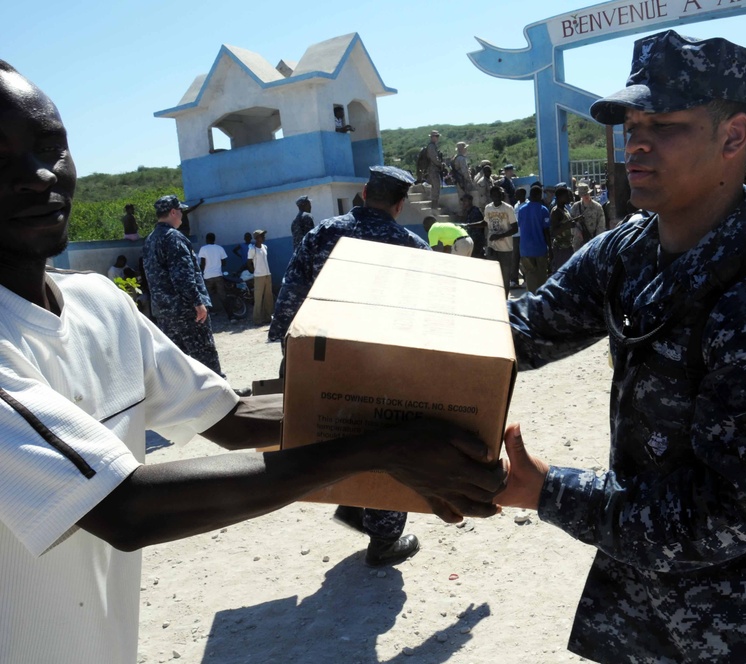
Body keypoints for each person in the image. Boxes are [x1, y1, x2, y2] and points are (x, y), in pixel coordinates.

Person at [0, 60, 505, 664]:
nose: (36, 175)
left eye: (51, 145)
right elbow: (123, 508)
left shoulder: (98, 303)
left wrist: (420, 420)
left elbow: (233, 415)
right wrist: (387, 446)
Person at [495, 31, 746, 663]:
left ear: (733, 137)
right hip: (640, 599)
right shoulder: (629, 250)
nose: (636, 143)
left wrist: (545, 489)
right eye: (631, 124)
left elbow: (728, 516)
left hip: (739, 621)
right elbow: (526, 328)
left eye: (664, 124)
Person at [269, 166, 433, 566]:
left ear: (363, 192)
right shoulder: (411, 245)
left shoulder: (322, 233)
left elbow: (291, 297)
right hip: (385, 364)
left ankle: (355, 506)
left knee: (339, 430)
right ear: (399, 204)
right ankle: (384, 539)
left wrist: (291, 357)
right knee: (390, 441)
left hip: (327, 358)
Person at [143, 194, 225, 377]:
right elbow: (183, 276)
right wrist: (197, 303)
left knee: (178, 362)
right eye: (180, 211)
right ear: (173, 212)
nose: (182, 215)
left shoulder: (150, 239)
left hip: (164, 312)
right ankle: (222, 396)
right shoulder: (174, 238)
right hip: (186, 311)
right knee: (204, 355)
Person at [483, 185, 518, 296]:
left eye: (500, 195)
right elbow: (485, 223)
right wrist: (471, 225)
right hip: (492, 247)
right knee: (492, 275)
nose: (498, 197)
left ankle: (505, 300)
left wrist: (500, 236)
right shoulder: (488, 208)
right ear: (491, 196)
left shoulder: (508, 208)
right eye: (495, 195)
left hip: (506, 248)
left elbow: (515, 228)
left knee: (505, 276)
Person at [515, 186, 550, 293]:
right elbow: (546, 231)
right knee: (542, 277)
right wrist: (550, 248)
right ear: (539, 195)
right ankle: (541, 301)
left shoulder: (521, 209)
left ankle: (530, 301)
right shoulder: (543, 210)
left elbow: (520, 225)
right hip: (540, 249)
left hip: (525, 249)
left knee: (530, 276)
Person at [197, 232, 233, 321]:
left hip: (207, 276)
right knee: (223, 296)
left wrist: (201, 271)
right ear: (214, 239)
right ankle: (231, 316)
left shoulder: (203, 249)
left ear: (207, 239)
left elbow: (203, 263)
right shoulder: (219, 248)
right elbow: (224, 262)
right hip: (218, 275)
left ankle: (207, 318)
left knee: (207, 296)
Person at [246, 230, 274, 325]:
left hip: (267, 275)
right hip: (259, 276)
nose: (264, 237)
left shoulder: (264, 247)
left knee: (268, 298)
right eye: (262, 236)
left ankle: (267, 317)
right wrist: (254, 272)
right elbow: (249, 263)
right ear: (257, 238)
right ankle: (257, 320)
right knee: (258, 299)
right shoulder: (252, 249)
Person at [569, 183, 606, 252]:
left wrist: (597, 240)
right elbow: (571, 223)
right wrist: (577, 232)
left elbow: (601, 225)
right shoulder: (575, 207)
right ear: (580, 195)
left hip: (593, 240)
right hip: (578, 243)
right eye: (583, 194)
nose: (586, 196)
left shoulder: (597, 207)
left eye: (587, 193)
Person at [547, 184, 575, 272]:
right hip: (561, 249)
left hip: (568, 247)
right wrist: (568, 226)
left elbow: (566, 223)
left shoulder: (565, 209)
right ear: (560, 197)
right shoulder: (556, 212)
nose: (569, 197)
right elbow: (553, 232)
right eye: (567, 196)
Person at [424, 130, 447, 208]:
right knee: (436, 186)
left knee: (436, 186)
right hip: (432, 168)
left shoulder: (433, 146)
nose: (437, 138)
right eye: (436, 136)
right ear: (432, 137)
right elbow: (433, 157)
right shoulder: (431, 146)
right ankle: (434, 205)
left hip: (434, 168)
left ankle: (435, 204)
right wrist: (440, 164)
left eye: (438, 136)